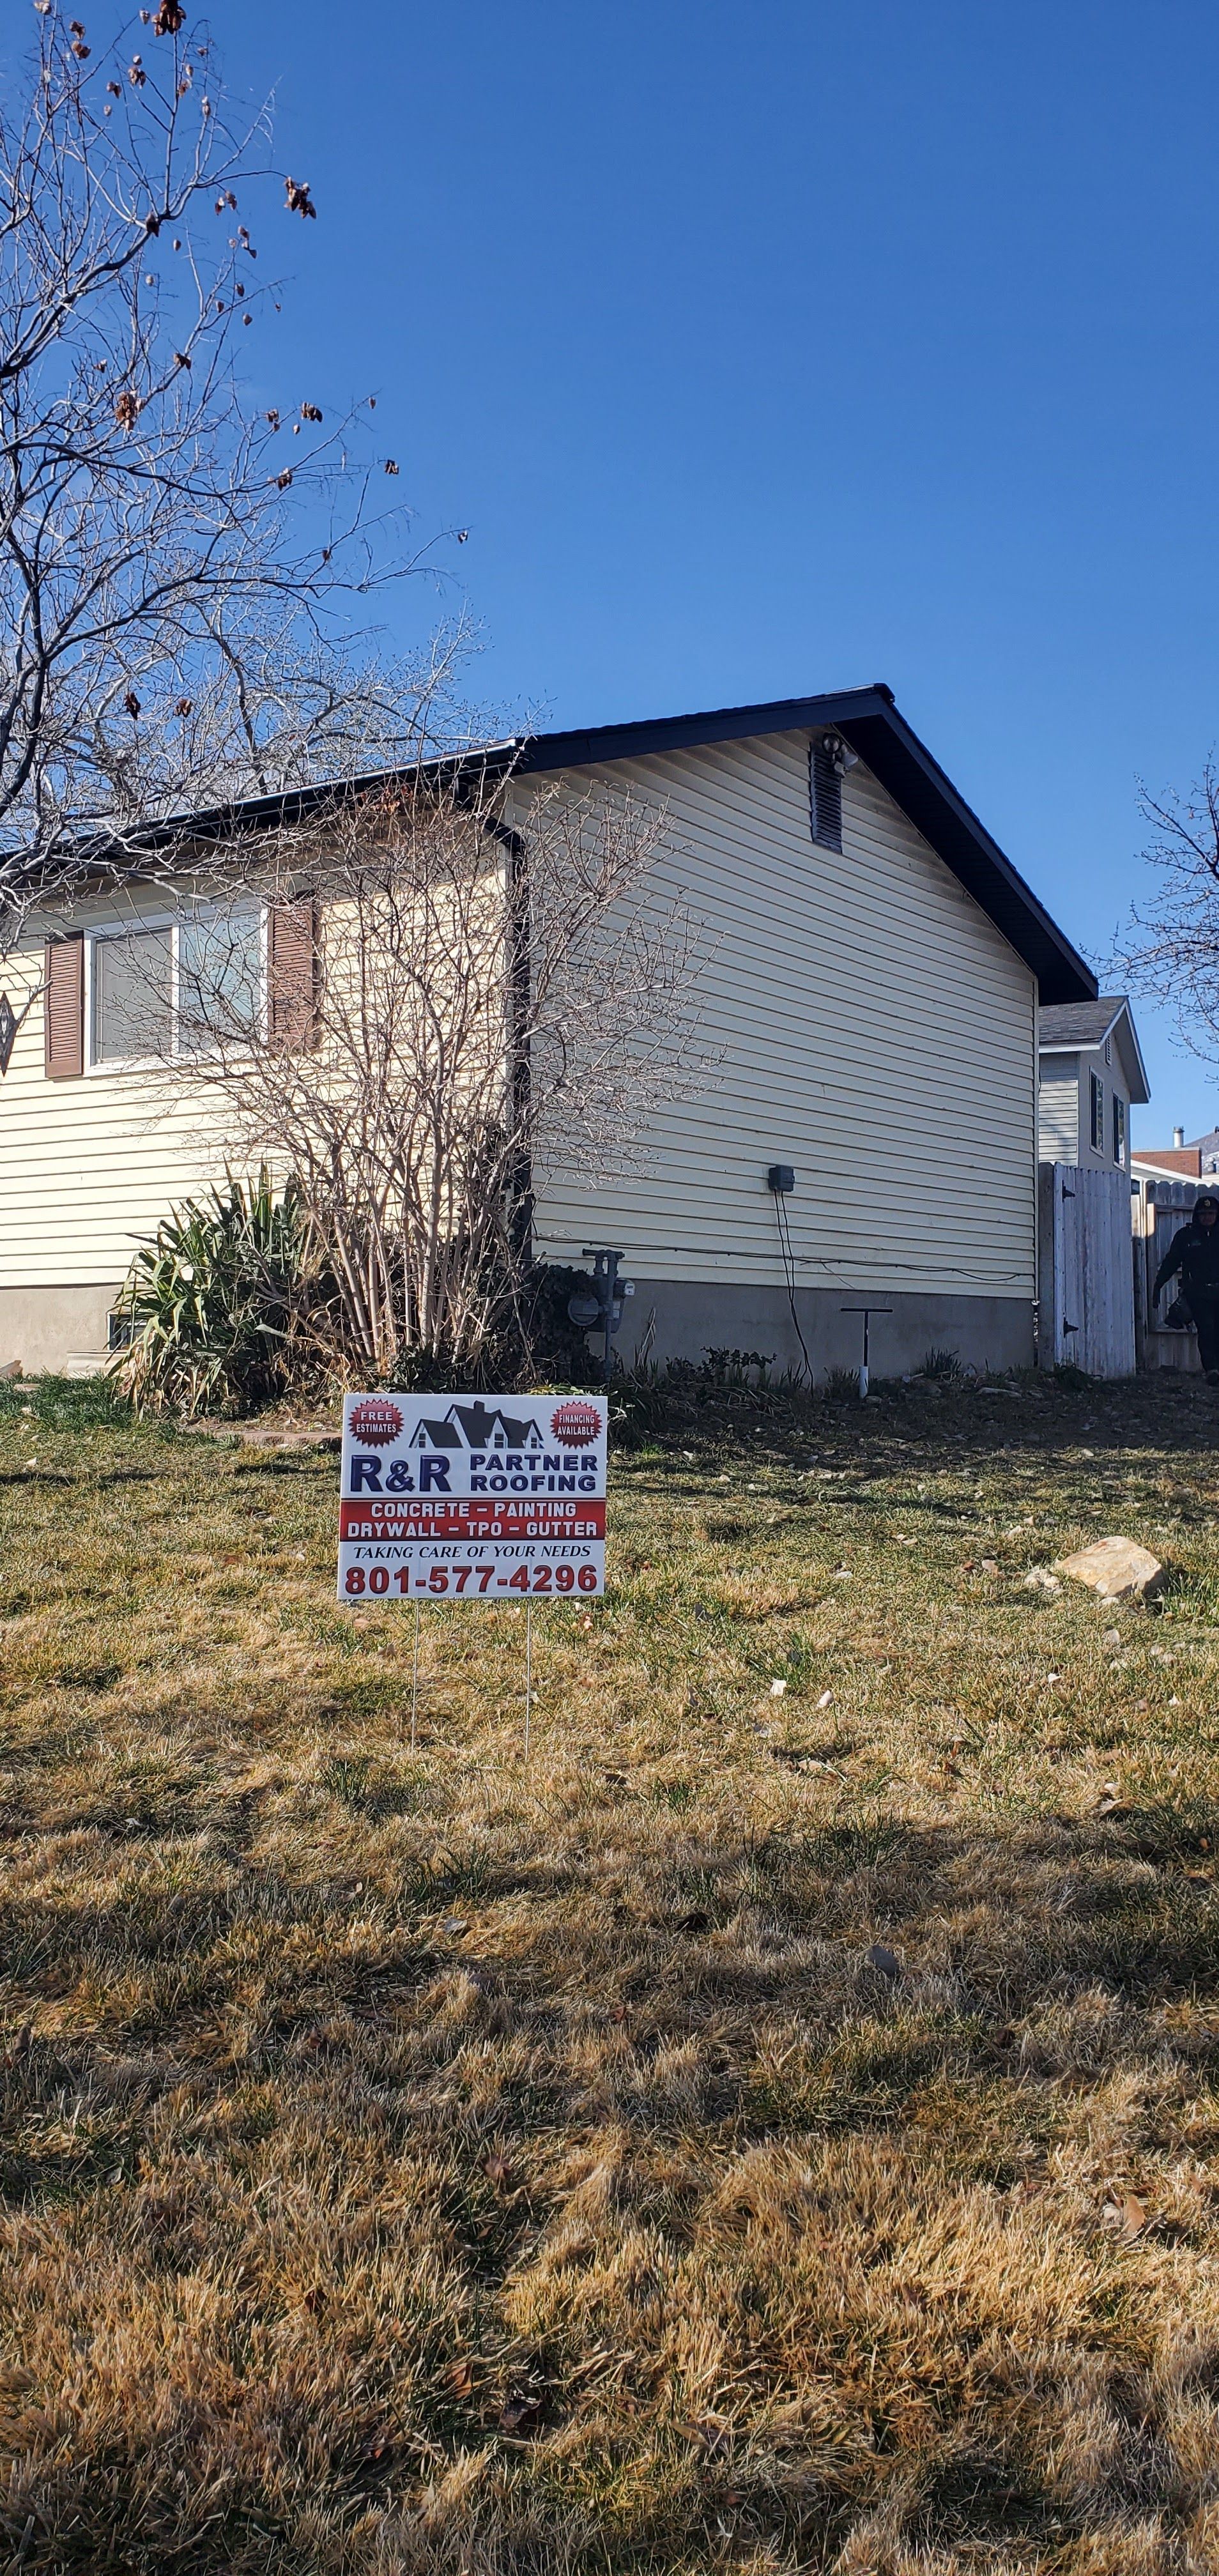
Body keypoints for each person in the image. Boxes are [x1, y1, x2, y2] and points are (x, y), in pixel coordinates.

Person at [1153, 1191, 1219, 1381]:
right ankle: (1212, 1370)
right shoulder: (1186, 1236)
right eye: (1203, 1214)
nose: (1207, 1218)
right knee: (1206, 1329)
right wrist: (1159, 1284)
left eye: (1211, 1214)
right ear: (1197, 1216)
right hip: (1198, 1293)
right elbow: (1172, 1261)